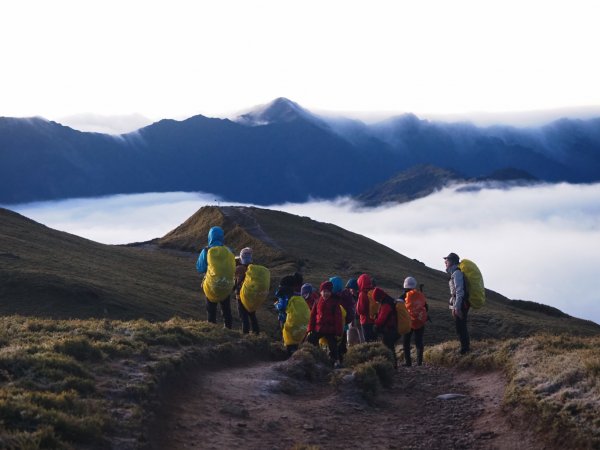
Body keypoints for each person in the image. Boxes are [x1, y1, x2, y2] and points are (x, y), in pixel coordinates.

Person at [196, 226, 234, 329]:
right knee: (226, 309)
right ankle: (228, 329)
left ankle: (212, 329)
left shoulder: (206, 250)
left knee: (211, 309)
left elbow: (200, 268)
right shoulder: (228, 250)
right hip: (227, 284)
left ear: (210, 237)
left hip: (212, 285)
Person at [307, 281, 344, 367]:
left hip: (330, 329)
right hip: (319, 328)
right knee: (311, 339)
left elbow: (338, 318)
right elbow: (312, 316)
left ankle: (335, 361)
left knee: (333, 345)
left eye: (328, 292)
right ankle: (315, 355)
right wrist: (310, 329)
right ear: (321, 292)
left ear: (331, 292)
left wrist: (338, 332)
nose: (326, 294)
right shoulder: (317, 301)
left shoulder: (335, 303)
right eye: (324, 291)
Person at [276, 275, 310, 356]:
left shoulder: (284, 294)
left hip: (285, 318)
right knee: (293, 339)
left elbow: (282, 307)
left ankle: (287, 356)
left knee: (286, 337)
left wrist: (276, 305)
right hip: (294, 320)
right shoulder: (296, 295)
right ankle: (294, 353)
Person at [444, 252, 470, 354]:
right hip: (460, 303)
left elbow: (459, 292)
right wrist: (454, 307)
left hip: (462, 304)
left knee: (461, 326)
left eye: (447, 260)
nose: (445, 262)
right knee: (460, 326)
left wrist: (457, 307)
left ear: (452, 262)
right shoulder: (454, 273)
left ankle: (465, 349)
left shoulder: (456, 273)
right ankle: (464, 348)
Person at [402, 276, 428, 366]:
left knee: (406, 342)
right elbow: (426, 307)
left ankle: (408, 362)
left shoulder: (403, 296)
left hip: (409, 322)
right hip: (420, 322)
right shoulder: (419, 294)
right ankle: (419, 363)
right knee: (419, 341)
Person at [234, 247, 260, 334]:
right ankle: (256, 333)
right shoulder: (253, 268)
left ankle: (245, 334)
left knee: (243, 316)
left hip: (240, 296)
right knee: (252, 315)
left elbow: (234, 278)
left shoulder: (239, 269)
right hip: (251, 296)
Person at [372, 287, 400, 368]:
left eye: (377, 299)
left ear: (379, 297)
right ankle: (393, 365)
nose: (377, 302)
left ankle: (392, 366)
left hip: (390, 330)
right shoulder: (389, 300)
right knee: (390, 347)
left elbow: (381, 319)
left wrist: (375, 322)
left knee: (389, 348)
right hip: (394, 328)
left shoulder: (386, 304)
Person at [356, 273, 377, 342]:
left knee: (368, 341)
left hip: (365, 320)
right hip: (374, 320)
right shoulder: (373, 291)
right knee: (374, 340)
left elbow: (361, 310)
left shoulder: (362, 294)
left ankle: (370, 352)